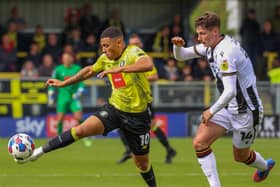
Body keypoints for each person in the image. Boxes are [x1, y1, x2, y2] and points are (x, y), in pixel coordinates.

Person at [16, 26, 157, 187]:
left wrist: (121, 69)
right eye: (102, 46)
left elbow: (147, 65)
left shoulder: (132, 52)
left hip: (138, 117)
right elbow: (89, 71)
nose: (103, 50)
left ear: (119, 42)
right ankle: (37, 152)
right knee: (81, 130)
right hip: (114, 109)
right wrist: (64, 83)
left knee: (142, 164)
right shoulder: (105, 59)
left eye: (106, 46)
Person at [172, 11, 275, 186]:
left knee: (240, 156)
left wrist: (211, 110)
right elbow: (181, 56)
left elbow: (230, 91)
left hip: (247, 111)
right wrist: (177, 46)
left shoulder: (226, 52)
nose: (199, 38)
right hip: (228, 107)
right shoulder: (211, 46)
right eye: (198, 34)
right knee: (199, 143)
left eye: (202, 34)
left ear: (214, 32)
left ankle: (264, 166)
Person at [117, 33, 176, 164]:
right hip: (129, 98)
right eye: (132, 44)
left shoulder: (144, 59)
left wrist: (136, 78)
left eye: (137, 44)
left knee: (151, 126)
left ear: (141, 45)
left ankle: (169, 149)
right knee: (119, 122)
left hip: (143, 99)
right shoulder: (126, 59)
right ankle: (128, 149)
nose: (135, 46)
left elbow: (154, 76)